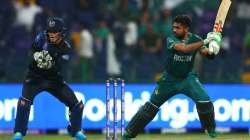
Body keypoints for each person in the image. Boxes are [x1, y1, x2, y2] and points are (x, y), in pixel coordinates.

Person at [122, 15, 222, 139]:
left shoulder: (196, 39)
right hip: (169, 80)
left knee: (205, 101)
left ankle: (210, 130)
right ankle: (129, 133)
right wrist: (205, 41)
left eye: (178, 28)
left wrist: (213, 49)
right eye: (173, 27)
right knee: (150, 107)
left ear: (186, 28)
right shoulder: (171, 39)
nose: (174, 30)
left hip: (188, 79)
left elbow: (207, 54)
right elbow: (184, 49)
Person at [13, 17, 87, 140]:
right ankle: (19, 133)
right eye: (50, 31)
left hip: (54, 80)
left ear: (61, 32)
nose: (52, 34)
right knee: (23, 103)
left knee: (76, 105)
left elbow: (61, 66)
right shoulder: (40, 38)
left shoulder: (65, 47)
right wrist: (36, 56)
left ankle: (75, 131)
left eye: (55, 32)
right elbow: (31, 53)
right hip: (34, 78)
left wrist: (50, 62)